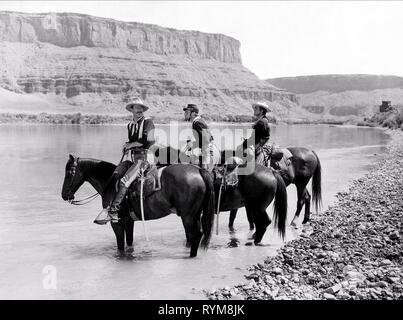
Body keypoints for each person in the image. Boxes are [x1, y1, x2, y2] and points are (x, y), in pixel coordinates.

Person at [94, 97, 155, 224]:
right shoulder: (130, 125)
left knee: (124, 181)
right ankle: (108, 206)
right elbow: (132, 142)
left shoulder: (148, 122)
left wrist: (130, 145)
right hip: (132, 158)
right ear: (131, 110)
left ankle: (114, 212)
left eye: (141, 108)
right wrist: (126, 146)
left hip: (144, 159)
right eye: (137, 108)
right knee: (115, 175)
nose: (139, 110)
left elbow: (146, 140)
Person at [183, 104, 219, 171]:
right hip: (207, 147)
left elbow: (206, 140)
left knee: (204, 171)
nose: (185, 114)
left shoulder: (197, 122)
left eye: (187, 112)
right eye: (185, 112)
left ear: (193, 113)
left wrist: (193, 144)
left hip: (207, 149)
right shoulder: (198, 121)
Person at [241, 101, 276, 166]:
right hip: (259, 143)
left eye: (256, 108)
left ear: (261, 111)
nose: (254, 110)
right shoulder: (263, 120)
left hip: (259, 145)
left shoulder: (261, 122)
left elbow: (256, 138)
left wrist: (245, 143)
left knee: (241, 152)